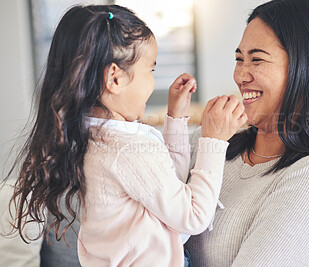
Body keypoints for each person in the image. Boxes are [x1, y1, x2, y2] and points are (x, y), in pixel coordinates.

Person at [3, 4, 247, 267]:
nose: (153, 83)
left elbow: (168, 187)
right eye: (150, 71)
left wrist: (176, 119)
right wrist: (214, 140)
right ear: (115, 79)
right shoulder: (126, 149)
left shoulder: (94, 138)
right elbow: (193, 216)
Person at [186, 0, 309, 266]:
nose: (240, 75)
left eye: (256, 60)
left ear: (308, 68)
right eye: (239, 59)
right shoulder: (212, 146)